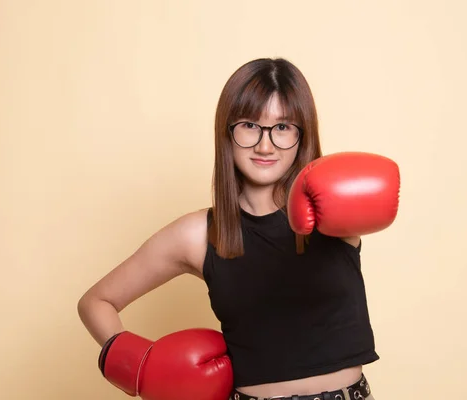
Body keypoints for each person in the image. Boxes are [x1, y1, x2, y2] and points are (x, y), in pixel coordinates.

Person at [77, 57, 400, 400]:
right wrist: (137, 368)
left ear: (302, 134)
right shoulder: (197, 235)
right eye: (249, 125)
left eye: (283, 127)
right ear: (227, 132)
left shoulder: (334, 207)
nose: (265, 145)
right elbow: (96, 302)